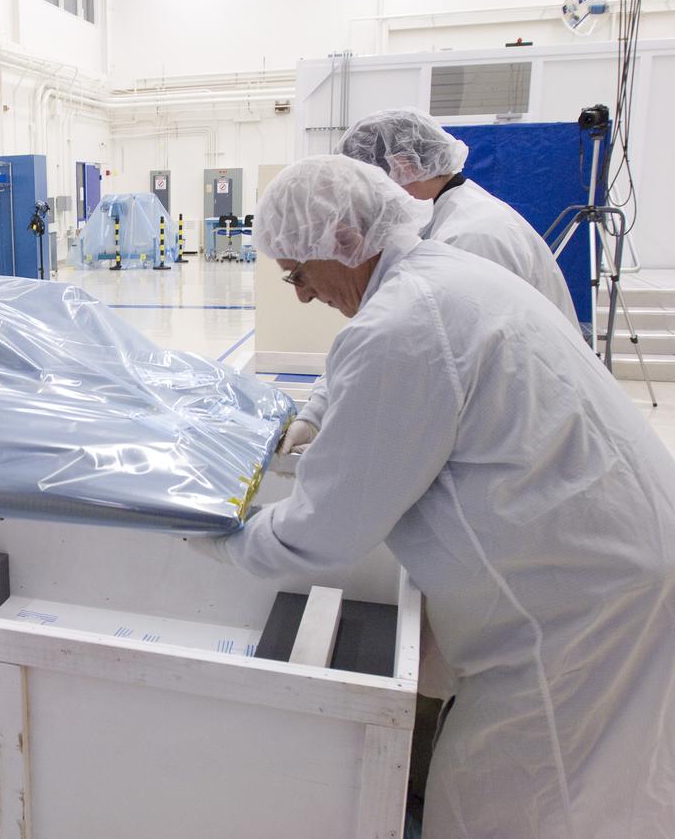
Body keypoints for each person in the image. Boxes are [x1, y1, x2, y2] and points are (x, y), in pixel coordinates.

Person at [194, 155, 675, 837]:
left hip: (578, 612)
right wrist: (318, 418)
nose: (300, 295)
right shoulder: (441, 277)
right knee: (599, 784)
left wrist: (225, 536)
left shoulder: (404, 325)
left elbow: (328, 528)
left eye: (297, 273)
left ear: (342, 241)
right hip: (613, 560)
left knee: (516, 803)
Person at [280, 107, 580, 455]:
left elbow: (429, 372)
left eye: (365, 187)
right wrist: (316, 412)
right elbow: (375, 332)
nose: (357, 204)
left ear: (405, 166)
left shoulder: (473, 236)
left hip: (530, 441)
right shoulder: (436, 225)